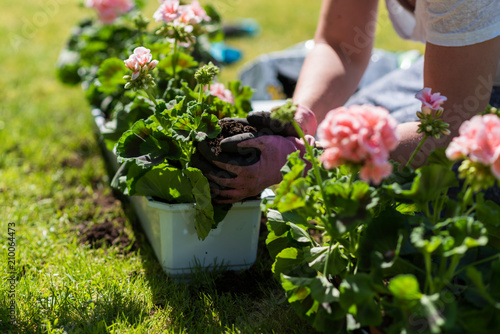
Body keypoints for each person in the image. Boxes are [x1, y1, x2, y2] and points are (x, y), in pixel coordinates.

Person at [200, 0, 500, 204]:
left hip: (474, 104)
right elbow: (340, 45)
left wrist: (307, 161)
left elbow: (447, 127)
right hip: (460, 76)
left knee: (418, 204)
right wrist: (301, 117)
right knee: (349, 125)